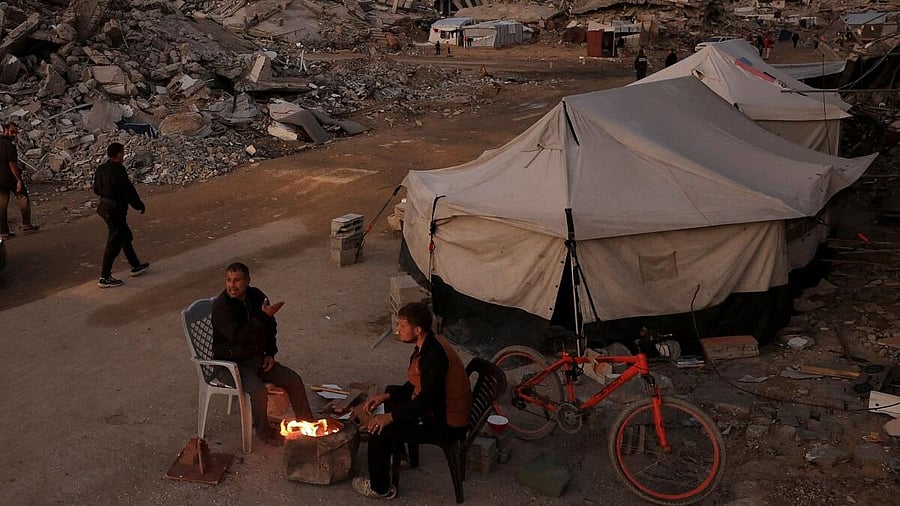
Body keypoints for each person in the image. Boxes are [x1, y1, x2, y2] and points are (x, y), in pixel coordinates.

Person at [351, 302, 473, 500]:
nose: (397, 330)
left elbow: (426, 400)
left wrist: (389, 417)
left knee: (380, 430)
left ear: (417, 329)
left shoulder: (433, 356)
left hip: (447, 422)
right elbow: (419, 384)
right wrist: (387, 396)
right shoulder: (430, 343)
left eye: (402, 325)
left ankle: (380, 489)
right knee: (392, 392)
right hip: (439, 406)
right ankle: (402, 456)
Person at [211, 262, 315, 445]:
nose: (231, 285)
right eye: (228, 280)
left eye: (237, 280)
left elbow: (270, 327)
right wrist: (263, 317)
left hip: (256, 359)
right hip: (230, 364)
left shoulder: (256, 295)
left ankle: (309, 427)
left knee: (293, 380)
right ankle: (264, 432)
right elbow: (237, 336)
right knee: (259, 391)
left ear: (247, 281)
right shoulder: (221, 306)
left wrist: (269, 353)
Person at [93, 142, 149, 288]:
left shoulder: (101, 169)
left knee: (124, 235)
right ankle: (104, 277)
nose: (124, 155)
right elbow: (129, 191)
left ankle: (135, 265)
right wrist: (138, 205)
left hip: (105, 208)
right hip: (114, 211)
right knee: (114, 242)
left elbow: (96, 189)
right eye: (122, 152)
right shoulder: (119, 171)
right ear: (118, 154)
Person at [0, 121, 39, 240]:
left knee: (1, 206)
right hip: (10, 178)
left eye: (16, 133)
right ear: (5, 130)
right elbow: (12, 164)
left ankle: (3, 232)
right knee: (23, 198)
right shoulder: (8, 145)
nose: (14, 135)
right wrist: (18, 180)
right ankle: (26, 224)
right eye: (12, 132)